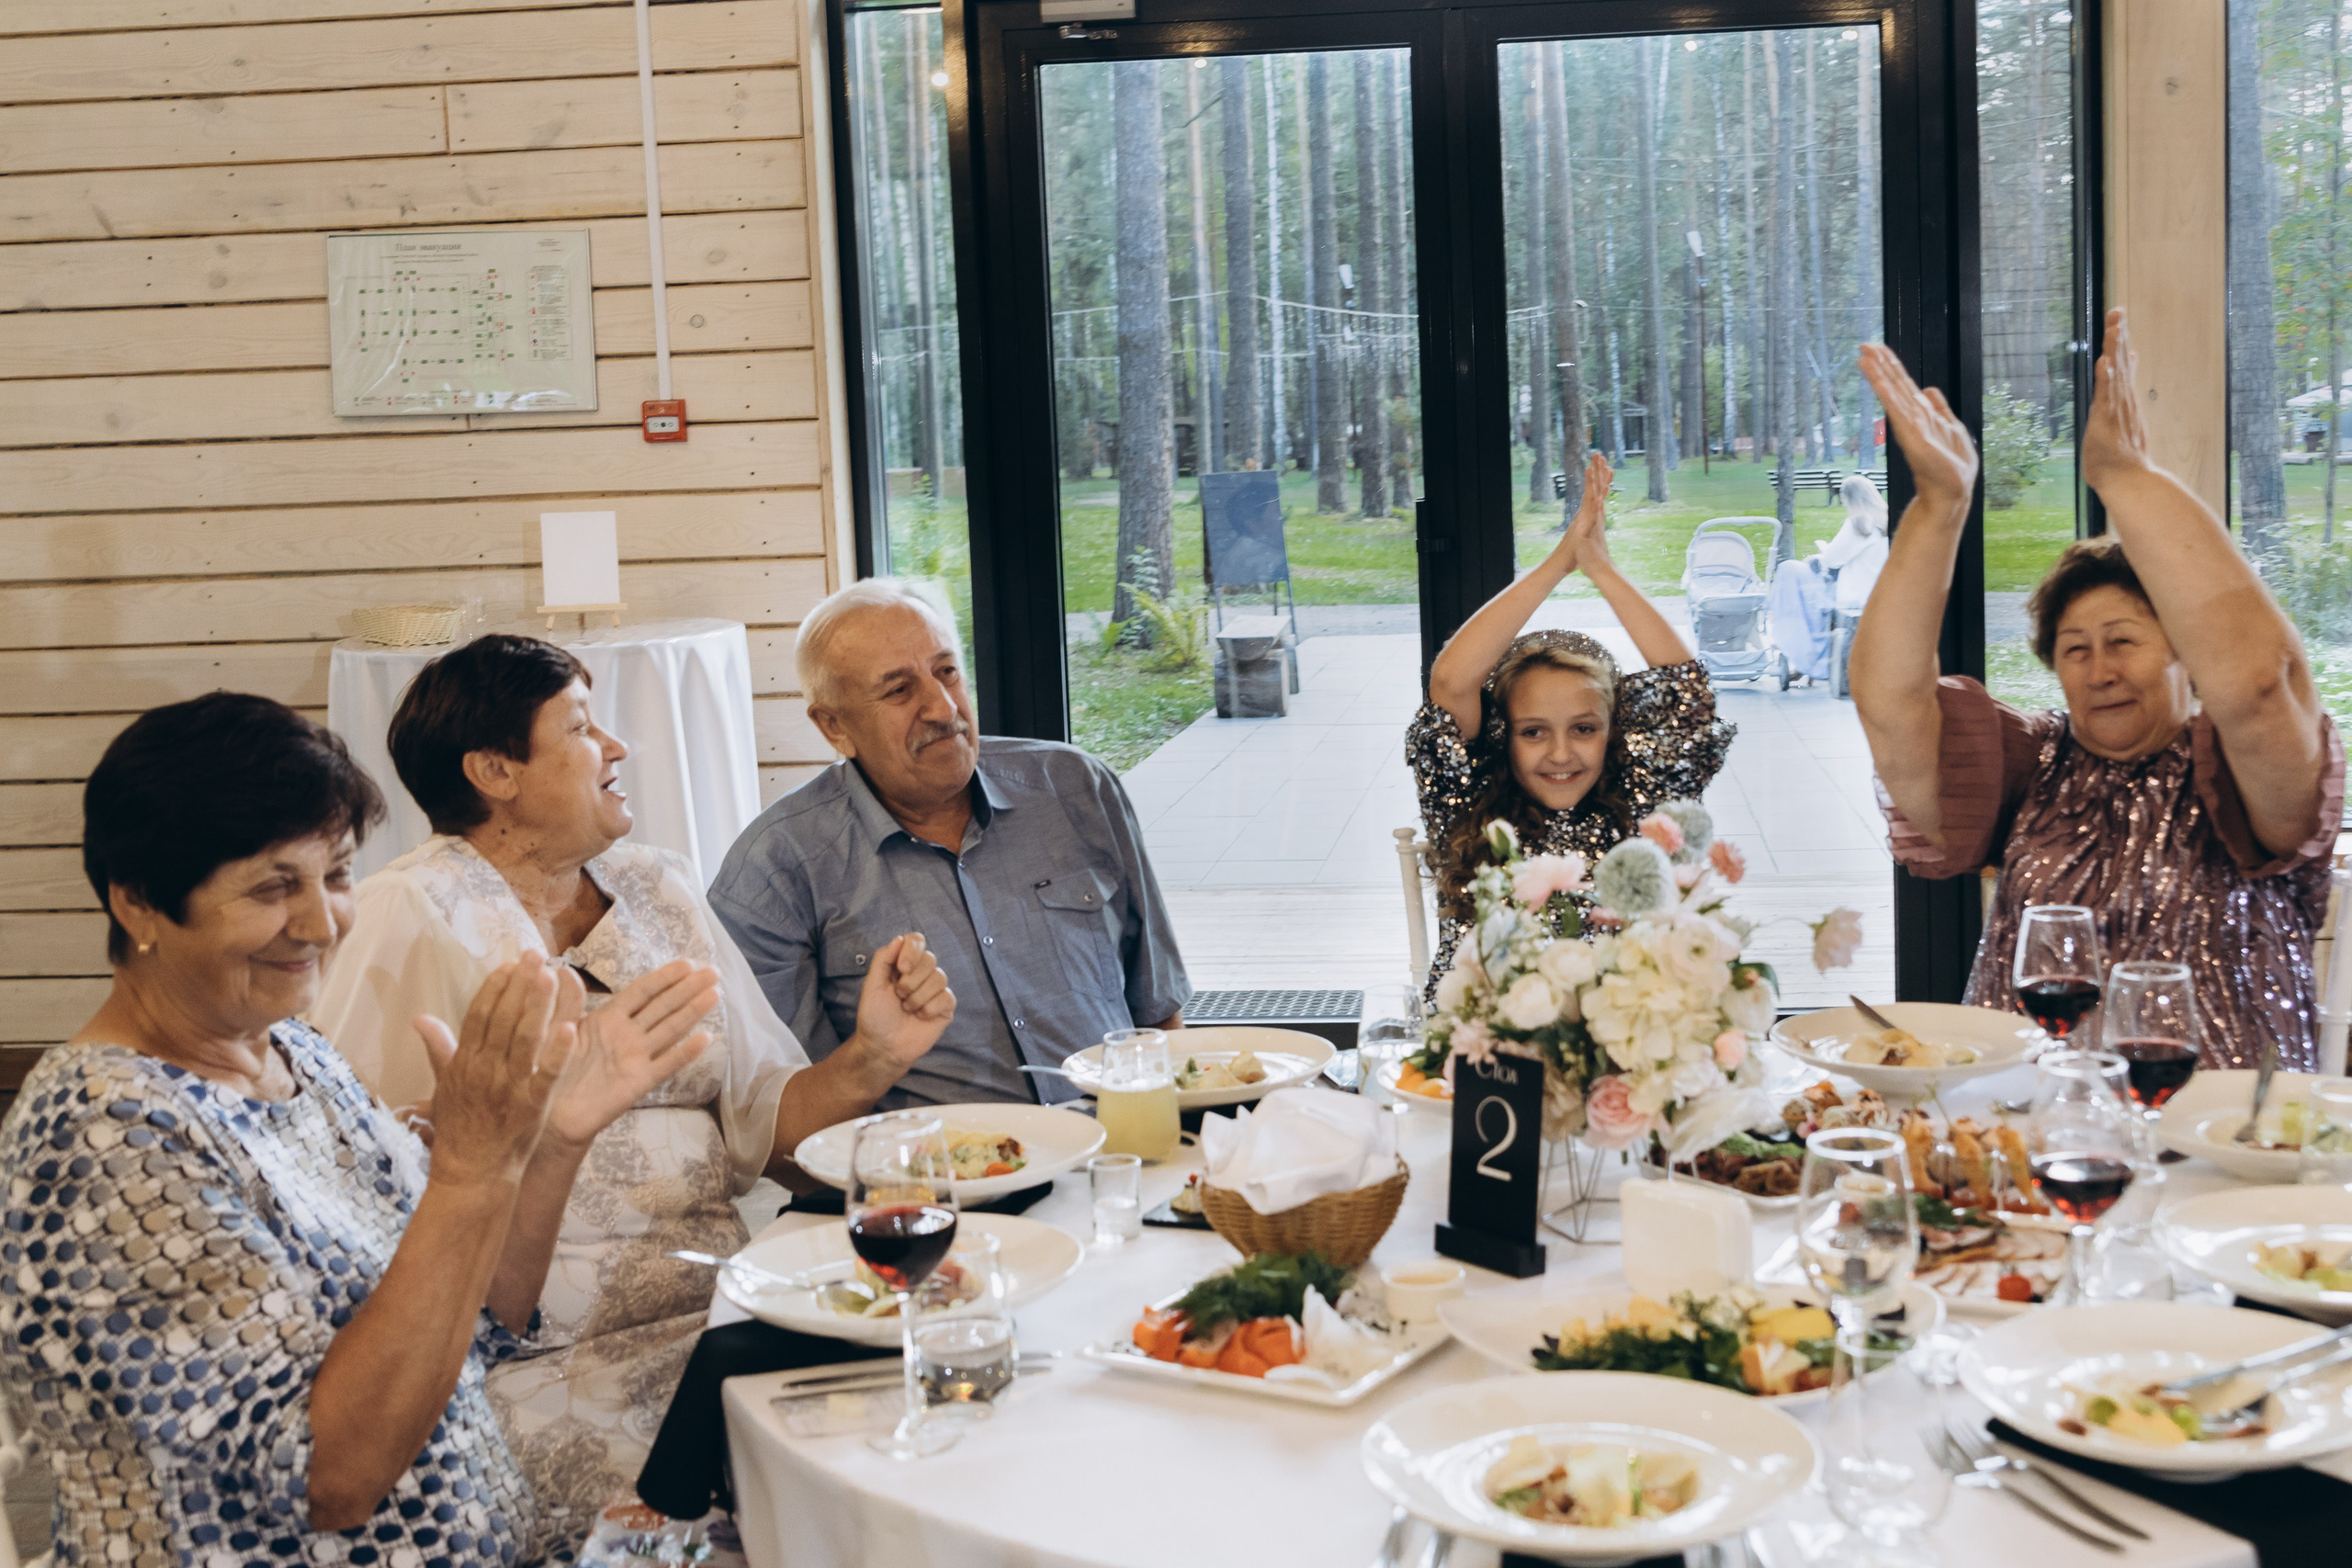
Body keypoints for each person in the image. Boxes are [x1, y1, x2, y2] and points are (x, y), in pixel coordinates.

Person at [0, 693, 715, 1566]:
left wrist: (551, 1141)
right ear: (140, 902)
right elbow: (326, 1476)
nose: (320, 921)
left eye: (335, 875)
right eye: (272, 887)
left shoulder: (296, 1051)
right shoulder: (105, 1135)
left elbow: (481, 1322)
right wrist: (469, 1169)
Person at [311, 635, 956, 1543]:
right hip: (532, 1359)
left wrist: (872, 1058)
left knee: (926, 1433)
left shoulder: (660, 885)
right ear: (495, 770)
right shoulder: (410, 909)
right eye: (581, 726)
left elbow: (764, 1132)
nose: (618, 747)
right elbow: (355, 1183)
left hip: (730, 1313)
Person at [1851, 309, 2346, 1069]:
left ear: (2186, 652)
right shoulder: (2031, 762)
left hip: (2223, 1147)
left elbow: (2256, 680)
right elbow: (1889, 703)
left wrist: (2124, 476)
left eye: (2123, 641)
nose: (2100, 669)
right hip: (2021, 1131)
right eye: (2074, 650)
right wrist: (1939, 505)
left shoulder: (2243, 769)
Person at [708, 580, 1192, 1110]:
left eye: (947, 672)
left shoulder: (1077, 787)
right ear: (834, 725)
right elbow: (775, 1112)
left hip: (1119, 1153)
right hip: (940, 1183)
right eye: (898, 690)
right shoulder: (774, 871)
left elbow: (1157, 1013)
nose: (942, 709)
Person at [1409, 450, 1737, 993]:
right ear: (1503, 735)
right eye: (1533, 731)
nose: (1561, 753)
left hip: (1625, 1044)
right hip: (1483, 1048)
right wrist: (1561, 561)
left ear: (1614, 731)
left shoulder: (1641, 797)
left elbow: (1686, 689)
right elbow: (1450, 681)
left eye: (1584, 728)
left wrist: (1601, 568)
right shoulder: (1468, 799)